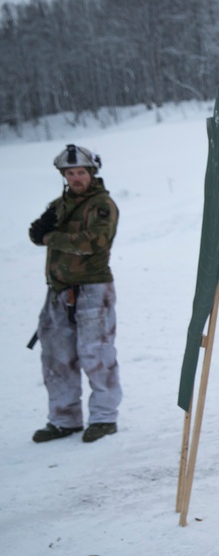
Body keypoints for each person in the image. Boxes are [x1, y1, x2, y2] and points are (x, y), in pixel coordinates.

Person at [29, 144, 122, 444]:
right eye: (70, 173)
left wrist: (50, 236)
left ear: (91, 173)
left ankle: (104, 418)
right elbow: (39, 234)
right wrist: (40, 231)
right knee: (57, 358)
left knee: (96, 355)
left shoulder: (102, 205)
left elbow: (93, 242)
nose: (75, 178)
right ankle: (64, 420)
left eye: (80, 172)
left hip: (93, 290)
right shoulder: (60, 205)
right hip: (58, 292)